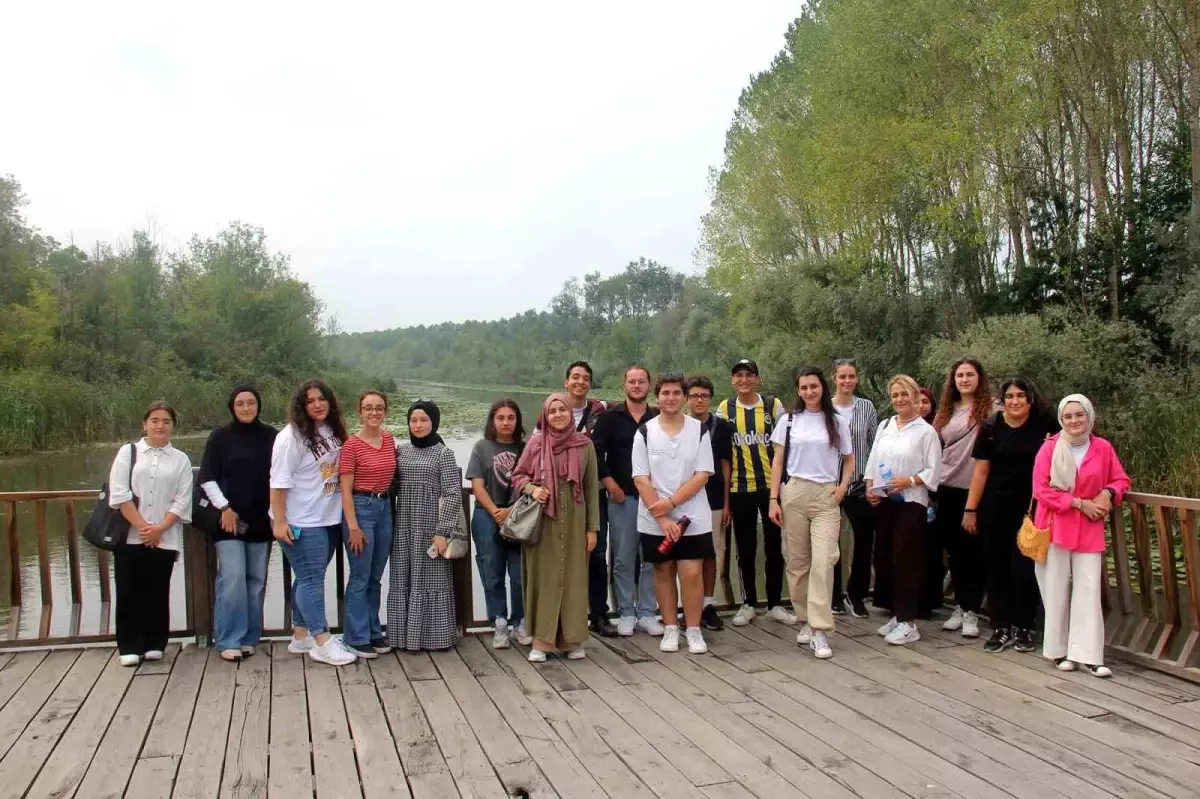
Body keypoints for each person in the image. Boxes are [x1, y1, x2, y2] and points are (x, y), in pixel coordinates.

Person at [1032, 394, 1130, 677]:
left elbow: (1121, 479)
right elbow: (1041, 489)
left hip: (1089, 526)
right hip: (1055, 524)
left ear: (1089, 416)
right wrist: (1078, 503)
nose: (1074, 421)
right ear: (1061, 420)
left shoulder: (1102, 447)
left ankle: (1088, 654)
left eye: (1079, 415)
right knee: (1056, 588)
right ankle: (1058, 650)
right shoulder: (1050, 448)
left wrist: (1108, 492)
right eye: (1068, 416)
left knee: (1088, 588)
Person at [964, 378, 1056, 653]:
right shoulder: (992, 428)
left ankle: (1024, 626)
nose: (1015, 401)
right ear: (1002, 400)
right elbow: (981, 472)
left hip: (1032, 509)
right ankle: (1000, 627)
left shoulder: (1045, 425)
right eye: (1009, 396)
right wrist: (970, 509)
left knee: (1025, 570)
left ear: (1030, 399)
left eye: (1020, 395)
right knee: (996, 568)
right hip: (995, 507)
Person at [768, 367, 853, 659]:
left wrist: (843, 487)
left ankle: (820, 629)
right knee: (797, 561)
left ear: (822, 387)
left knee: (824, 560)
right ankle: (803, 619)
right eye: (803, 387)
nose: (809, 392)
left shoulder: (837, 422)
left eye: (814, 386)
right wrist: (773, 498)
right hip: (794, 492)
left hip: (826, 495)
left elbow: (849, 458)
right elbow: (778, 462)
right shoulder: (789, 421)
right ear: (798, 390)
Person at [271, 379, 354, 666]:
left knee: (306, 577)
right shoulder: (290, 438)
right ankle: (323, 641)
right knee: (311, 580)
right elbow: (278, 483)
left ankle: (300, 635)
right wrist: (280, 522)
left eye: (322, 399)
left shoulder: (331, 430)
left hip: (328, 517)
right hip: (302, 521)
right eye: (310, 401)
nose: (317, 405)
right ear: (301, 407)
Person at [633, 373, 716, 655]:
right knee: (663, 571)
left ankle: (693, 629)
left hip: (691, 515)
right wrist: (663, 517)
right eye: (665, 393)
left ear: (684, 397)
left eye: (676, 393)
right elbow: (641, 479)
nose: (670, 398)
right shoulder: (645, 431)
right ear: (658, 398)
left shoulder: (699, 430)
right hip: (655, 517)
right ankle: (670, 628)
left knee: (692, 573)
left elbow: (702, 474)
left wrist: (672, 504)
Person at [514, 393, 600, 662]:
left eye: (562, 410)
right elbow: (518, 475)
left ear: (569, 414)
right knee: (544, 580)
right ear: (545, 416)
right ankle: (541, 642)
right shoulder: (537, 442)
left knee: (574, 580)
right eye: (552, 412)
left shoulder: (585, 446)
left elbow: (591, 489)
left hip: (575, 522)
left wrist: (592, 529)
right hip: (544, 523)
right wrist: (532, 488)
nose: (558, 415)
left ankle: (571, 640)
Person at [108, 401, 194, 667]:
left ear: (172, 426)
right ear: (144, 424)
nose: (160, 425)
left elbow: (182, 500)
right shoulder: (128, 452)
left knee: (157, 591)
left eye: (166, 421)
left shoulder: (180, 459)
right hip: (130, 535)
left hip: (164, 537)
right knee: (129, 590)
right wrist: (143, 527)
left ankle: (156, 643)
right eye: (155, 420)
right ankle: (129, 645)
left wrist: (160, 529)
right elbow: (119, 493)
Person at [199, 385, 277, 663]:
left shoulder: (272, 436)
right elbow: (207, 477)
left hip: (261, 519)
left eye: (251, 403)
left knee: (255, 581)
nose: (246, 408)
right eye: (240, 403)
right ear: (232, 406)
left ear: (259, 406)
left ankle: (248, 637)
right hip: (229, 520)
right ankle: (228, 638)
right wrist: (225, 507)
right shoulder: (220, 437)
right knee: (232, 578)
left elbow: (281, 476)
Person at [865, 375, 942, 646]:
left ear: (915, 397)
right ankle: (897, 615)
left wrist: (909, 481)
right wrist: (870, 486)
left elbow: (934, 470)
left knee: (906, 559)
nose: (900, 399)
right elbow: (874, 458)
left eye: (904, 394)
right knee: (885, 556)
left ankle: (909, 621)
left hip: (911, 501)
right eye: (895, 395)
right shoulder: (886, 425)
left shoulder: (926, 432)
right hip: (886, 500)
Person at [717, 358, 792, 627]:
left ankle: (774, 603)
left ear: (758, 379)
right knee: (745, 547)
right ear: (732, 380)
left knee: (774, 545)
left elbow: (786, 446)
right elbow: (722, 452)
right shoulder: (725, 409)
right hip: (740, 487)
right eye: (738, 375)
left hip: (770, 487)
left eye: (749, 375)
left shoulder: (773, 406)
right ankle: (747, 602)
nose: (744, 380)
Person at [388, 400, 465, 651]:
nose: (418, 425)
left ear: (434, 422)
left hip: (432, 528)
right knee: (403, 578)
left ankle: (435, 639)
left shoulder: (444, 454)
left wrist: (443, 532)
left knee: (432, 581)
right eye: (413, 420)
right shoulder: (401, 451)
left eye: (423, 420)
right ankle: (402, 637)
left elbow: (453, 494)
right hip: (403, 527)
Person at [593, 366, 663, 636]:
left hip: (654, 500)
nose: (636, 385)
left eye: (641, 381)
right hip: (622, 498)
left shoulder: (657, 417)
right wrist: (610, 483)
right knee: (623, 558)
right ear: (624, 385)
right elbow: (596, 452)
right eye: (632, 381)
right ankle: (626, 612)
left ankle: (647, 612)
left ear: (649, 385)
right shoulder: (611, 417)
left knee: (650, 558)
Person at [930, 357, 993, 638]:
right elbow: (931, 445)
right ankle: (960, 605)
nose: (964, 380)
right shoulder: (945, 412)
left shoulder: (993, 408)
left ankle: (971, 611)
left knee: (973, 551)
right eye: (959, 375)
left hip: (976, 488)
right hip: (946, 486)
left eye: (969, 374)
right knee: (954, 550)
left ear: (979, 377)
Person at [467, 399, 531, 649]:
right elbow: (477, 485)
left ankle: (520, 621)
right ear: (492, 420)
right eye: (501, 417)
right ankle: (499, 622)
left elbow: (532, 485)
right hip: (486, 515)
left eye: (511, 417)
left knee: (518, 573)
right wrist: (495, 511)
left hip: (519, 516)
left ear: (517, 421)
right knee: (491, 571)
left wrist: (510, 510)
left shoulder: (526, 448)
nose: (506, 422)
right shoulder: (482, 447)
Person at [337, 390, 397, 659]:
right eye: (368, 408)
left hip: (385, 508)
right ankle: (355, 636)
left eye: (379, 408)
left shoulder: (388, 439)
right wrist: (353, 526)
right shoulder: (352, 445)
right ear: (359, 411)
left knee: (375, 576)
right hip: (361, 510)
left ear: (385, 411)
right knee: (360, 576)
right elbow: (345, 490)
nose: (374, 412)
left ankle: (374, 631)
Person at [562, 361, 617, 638]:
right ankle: (565, 615)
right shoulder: (553, 410)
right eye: (575, 377)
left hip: (595, 492)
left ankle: (599, 613)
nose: (580, 382)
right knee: (563, 553)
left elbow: (636, 412)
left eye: (585, 378)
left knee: (596, 552)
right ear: (566, 382)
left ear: (590, 384)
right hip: (561, 496)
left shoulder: (601, 410)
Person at [828, 359, 878, 619]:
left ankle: (856, 594)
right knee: (831, 541)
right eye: (842, 376)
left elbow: (874, 445)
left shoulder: (866, 407)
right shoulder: (825, 408)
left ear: (857, 379)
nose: (847, 381)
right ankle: (833, 596)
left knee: (863, 540)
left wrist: (873, 481)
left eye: (851, 377)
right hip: (831, 484)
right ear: (834, 378)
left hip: (859, 482)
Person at [686, 376, 732, 630]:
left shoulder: (721, 427)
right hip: (684, 498)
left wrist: (727, 503)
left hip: (713, 497)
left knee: (713, 551)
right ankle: (686, 605)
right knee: (686, 552)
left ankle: (708, 604)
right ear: (687, 399)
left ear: (710, 398)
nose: (699, 400)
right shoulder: (679, 425)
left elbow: (726, 466)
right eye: (694, 396)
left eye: (704, 396)